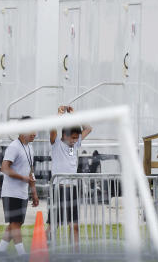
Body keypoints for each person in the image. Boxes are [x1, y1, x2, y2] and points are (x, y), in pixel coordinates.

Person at [49, 106, 93, 248]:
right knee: (52, 226)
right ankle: (43, 251)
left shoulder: (75, 145)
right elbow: (52, 128)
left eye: (77, 138)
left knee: (74, 225)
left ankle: (75, 254)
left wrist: (75, 115)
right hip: (58, 189)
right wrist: (59, 115)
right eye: (73, 138)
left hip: (72, 189)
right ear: (65, 135)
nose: (75, 140)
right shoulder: (56, 144)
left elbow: (88, 128)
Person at [0, 119, 39, 257]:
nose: (35, 133)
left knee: (16, 224)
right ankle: (22, 255)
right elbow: (4, 168)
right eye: (32, 130)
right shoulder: (14, 146)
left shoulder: (29, 148)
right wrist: (24, 179)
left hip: (22, 193)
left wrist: (34, 192)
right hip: (11, 192)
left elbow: (29, 171)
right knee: (15, 224)